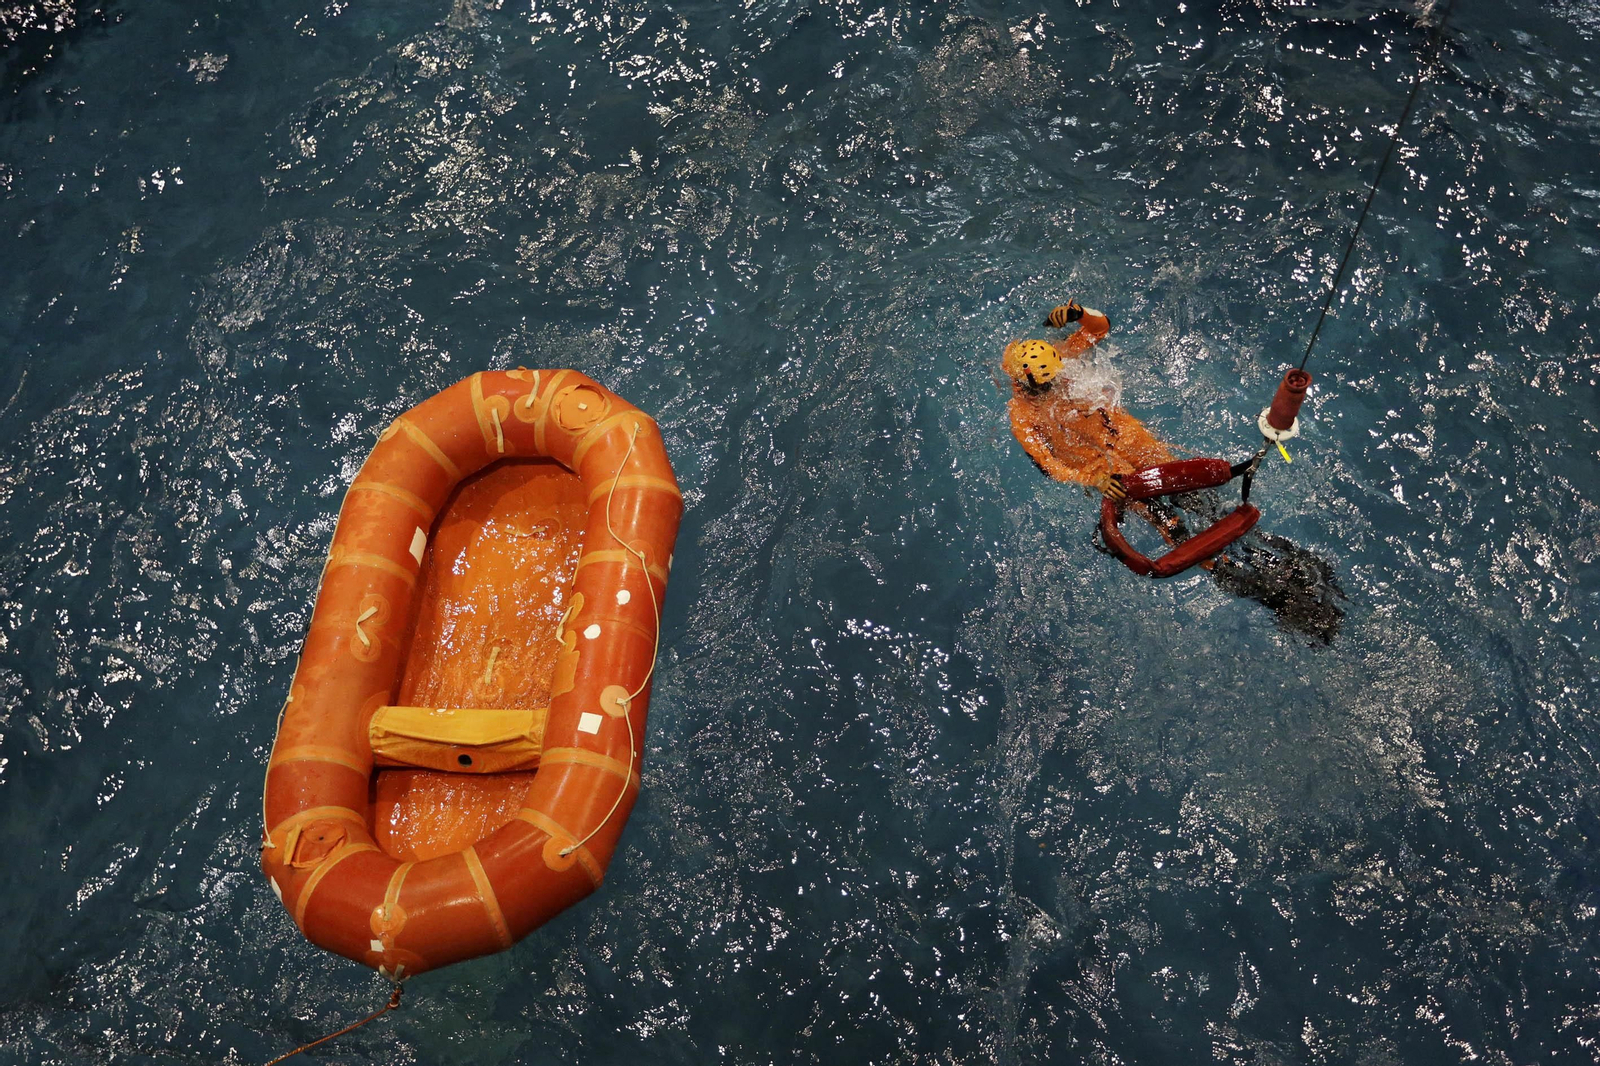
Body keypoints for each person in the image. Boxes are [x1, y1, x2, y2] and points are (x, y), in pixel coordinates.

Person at [1003, 300, 1346, 642]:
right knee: (1177, 530)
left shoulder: (1062, 359)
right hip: (1109, 473)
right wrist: (1093, 479)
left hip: (1131, 441)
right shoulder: (1022, 415)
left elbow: (1100, 328)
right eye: (1046, 384)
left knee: (1205, 504)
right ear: (1027, 384)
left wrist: (1079, 314)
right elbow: (1050, 465)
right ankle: (1273, 598)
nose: (1056, 385)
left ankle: (1293, 563)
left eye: (1056, 376)